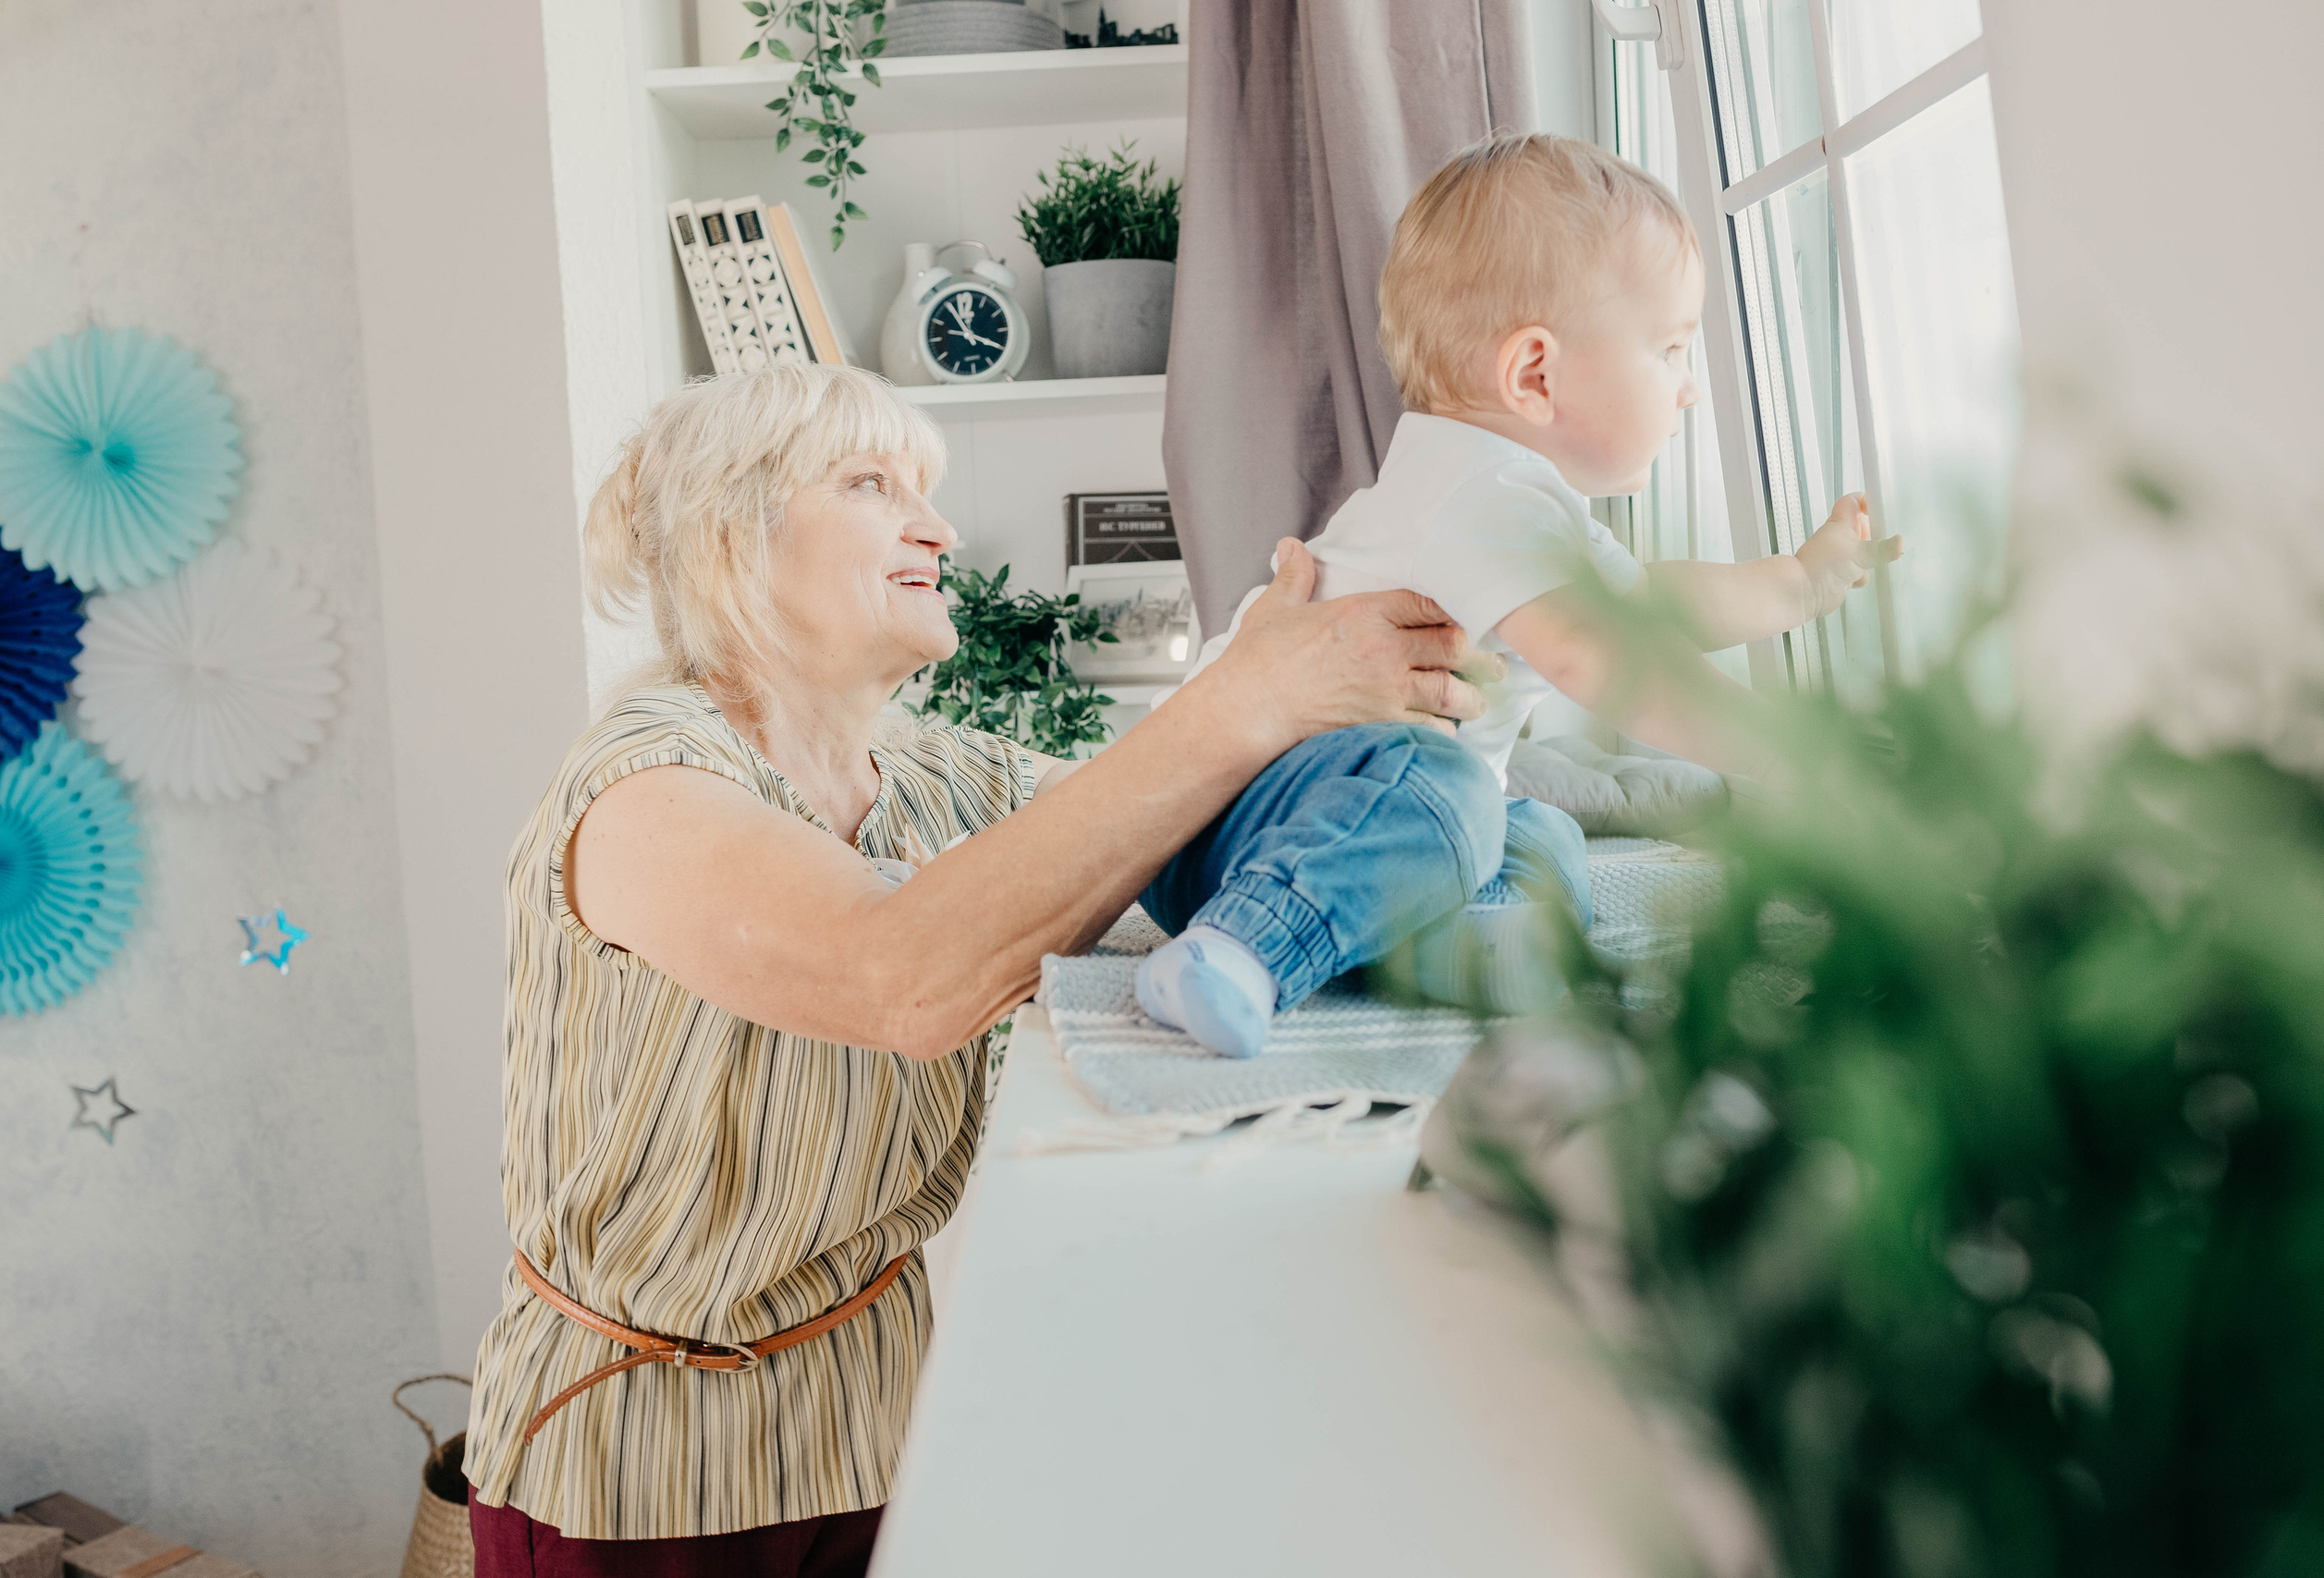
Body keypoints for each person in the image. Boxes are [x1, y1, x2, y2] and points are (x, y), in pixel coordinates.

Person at [458, 363, 1498, 1577]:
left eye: (928, 490)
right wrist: (1239, 702)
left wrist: (1384, 777)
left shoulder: (953, 778)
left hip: (875, 1425)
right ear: (732, 532)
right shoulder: (643, 788)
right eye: (871, 482)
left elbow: (1186, 840)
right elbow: (902, 976)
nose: (939, 528)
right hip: (638, 1468)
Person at [1130, 132, 1902, 1057]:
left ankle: (1471, 951)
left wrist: (1797, 582)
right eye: (1668, 350)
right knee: (1446, 787)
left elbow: (1646, 607)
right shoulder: (1480, 495)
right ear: (1534, 374)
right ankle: (1236, 953)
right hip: (1229, 817)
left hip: (1322, 817)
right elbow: (1613, 660)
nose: (1688, 389)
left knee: (1532, 829)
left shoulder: (1509, 495)